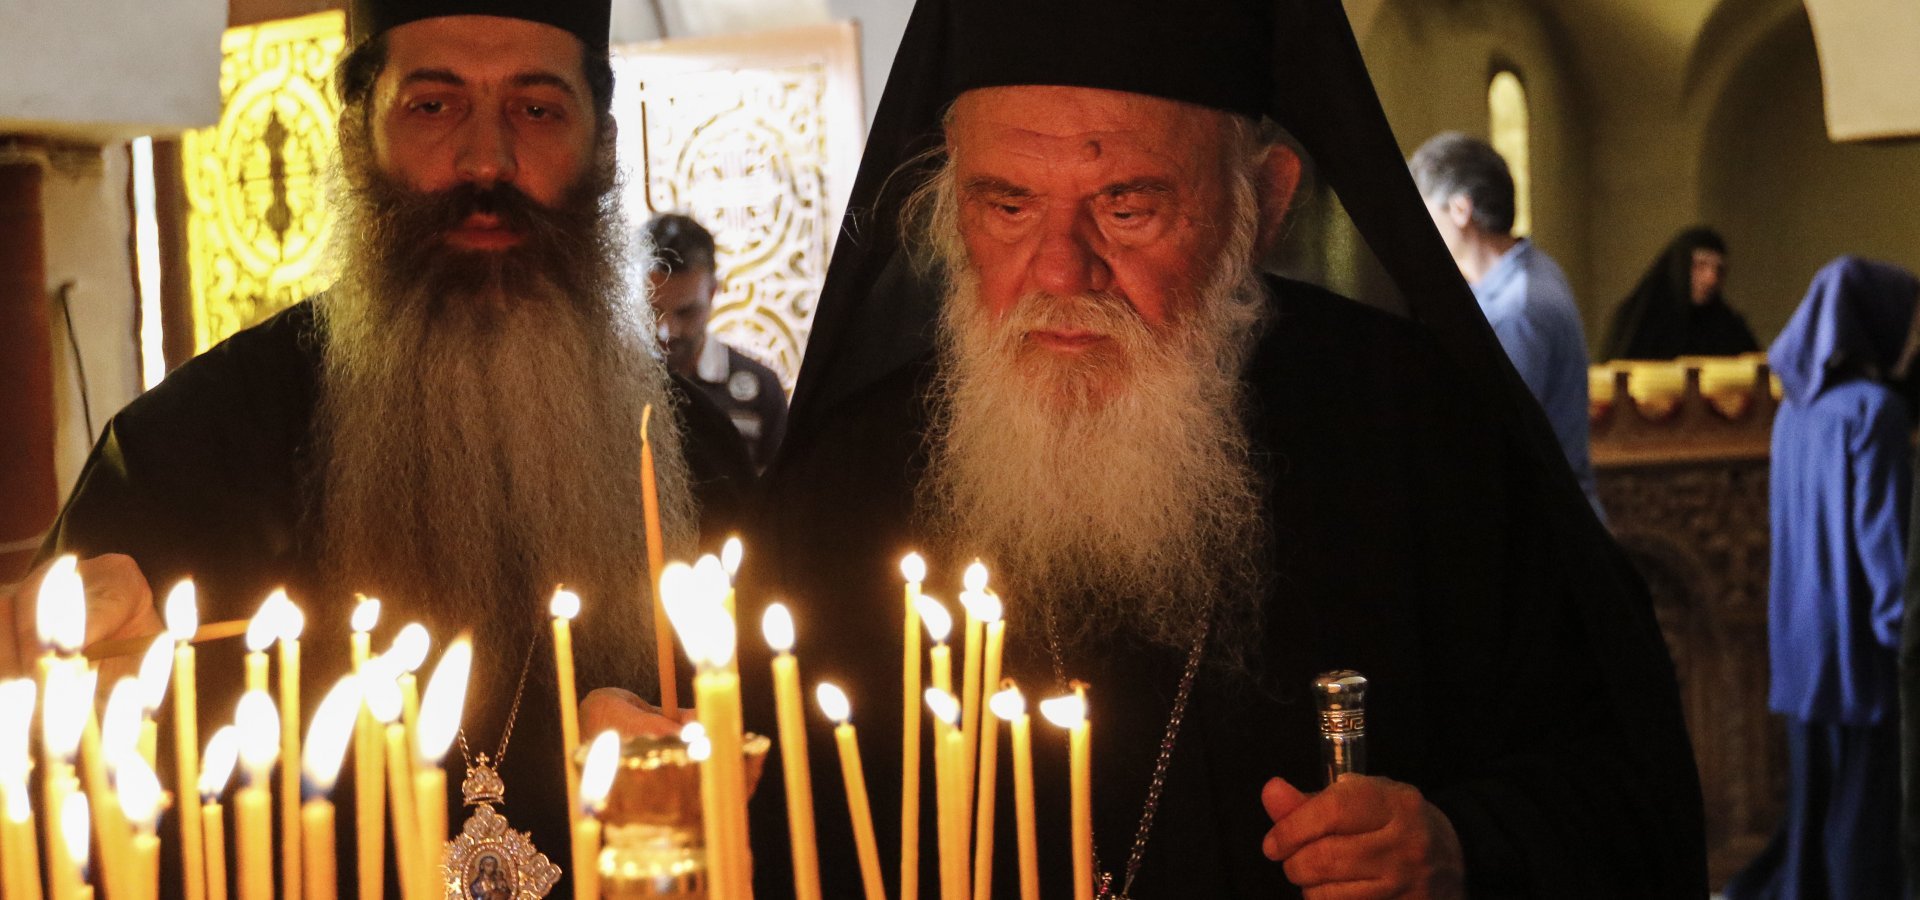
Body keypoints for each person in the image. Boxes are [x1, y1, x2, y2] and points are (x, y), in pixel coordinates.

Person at [736, 0, 1706, 897]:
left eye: (1126, 206)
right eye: (1009, 205)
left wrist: (1459, 845)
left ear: (1265, 202)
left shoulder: (1423, 434)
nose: (1062, 270)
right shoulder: (842, 491)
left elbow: (1623, 789)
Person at [2, 0, 752, 894]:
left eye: (536, 108)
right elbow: (63, 823)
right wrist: (66, 711)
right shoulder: (184, 453)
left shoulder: (698, 462)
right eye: (433, 105)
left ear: (603, 146)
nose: (486, 159)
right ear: (357, 137)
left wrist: (683, 818)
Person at [1726, 257, 1915, 900]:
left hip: (1801, 644)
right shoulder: (1876, 412)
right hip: (1859, 650)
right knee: (1863, 826)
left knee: (1813, 817)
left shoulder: (1796, 412)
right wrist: (1903, 640)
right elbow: (1883, 544)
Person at [1410, 132, 1602, 518]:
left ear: (1460, 210)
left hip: (1540, 522)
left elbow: (1493, 439)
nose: (1420, 229)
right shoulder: (1532, 268)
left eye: (1426, 210)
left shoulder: (1518, 308)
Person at [643, 212, 789, 470]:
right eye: (653, 310)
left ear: (712, 293)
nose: (667, 331)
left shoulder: (761, 391)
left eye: (686, 312)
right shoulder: (615, 383)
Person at [1601, 226, 1761, 360]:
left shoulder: (1729, 328)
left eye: (1719, 269)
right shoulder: (1638, 321)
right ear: (1680, 266)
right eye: (1700, 266)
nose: (1711, 279)